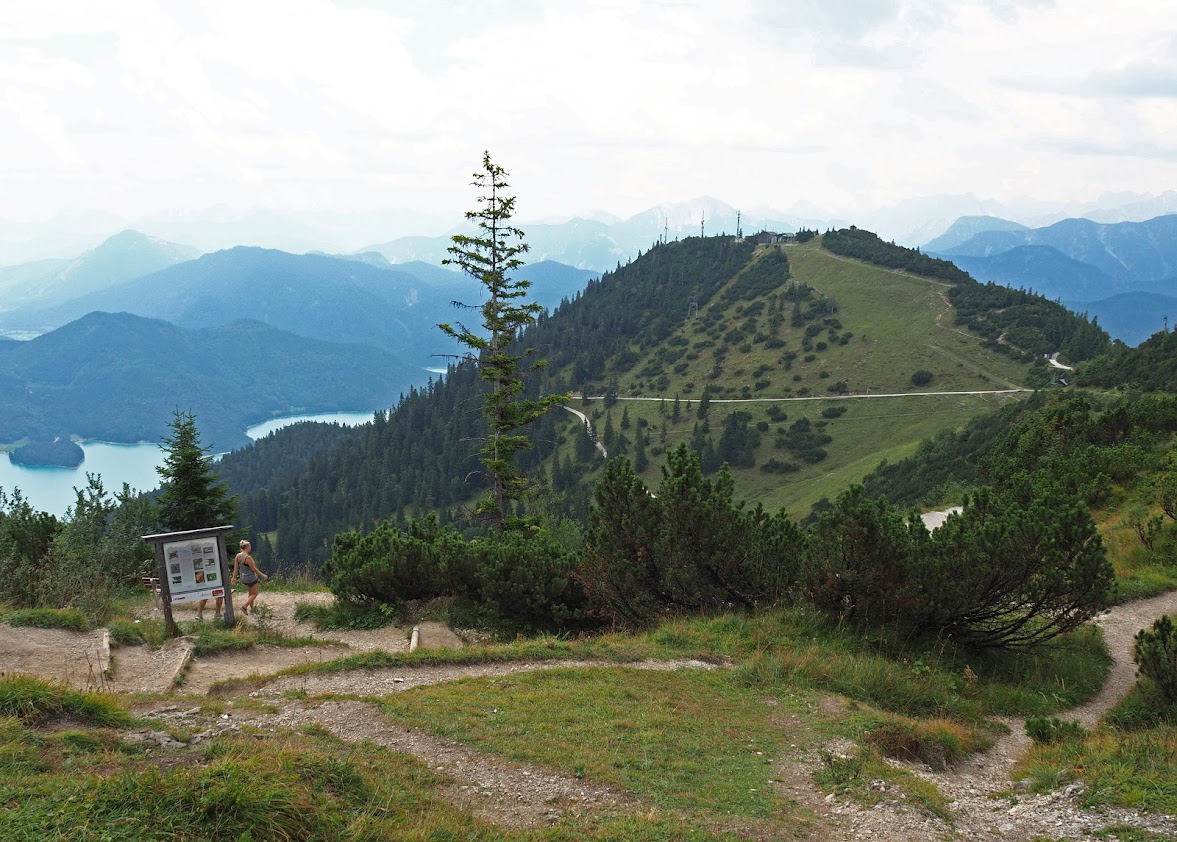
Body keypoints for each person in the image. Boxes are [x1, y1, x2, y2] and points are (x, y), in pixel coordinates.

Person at [231, 539, 269, 615]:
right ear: (247, 547)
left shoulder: (238, 556)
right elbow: (253, 569)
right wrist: (262, 575)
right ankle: (244, 606)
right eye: (249, 546)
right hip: (251, 577)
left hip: (243, 577)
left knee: (250, 593)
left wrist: (234, 577)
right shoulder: (248, 557)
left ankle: (252, 609)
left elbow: (235, 568)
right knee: (255, 594)